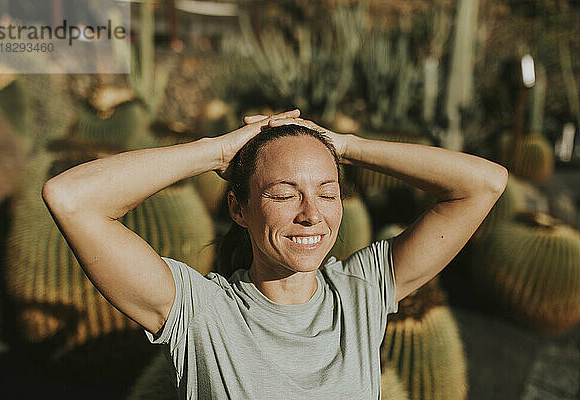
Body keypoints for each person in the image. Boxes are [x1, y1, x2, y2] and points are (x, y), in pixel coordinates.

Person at [42, 108, 508, 399]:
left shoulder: (361, 292)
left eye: (327, 193)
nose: (311, 214)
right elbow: (72, 199)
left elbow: (483, 184)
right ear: (239, 209)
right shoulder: (200, 312)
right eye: (285, 195)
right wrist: (216, 151)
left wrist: (342, 145)